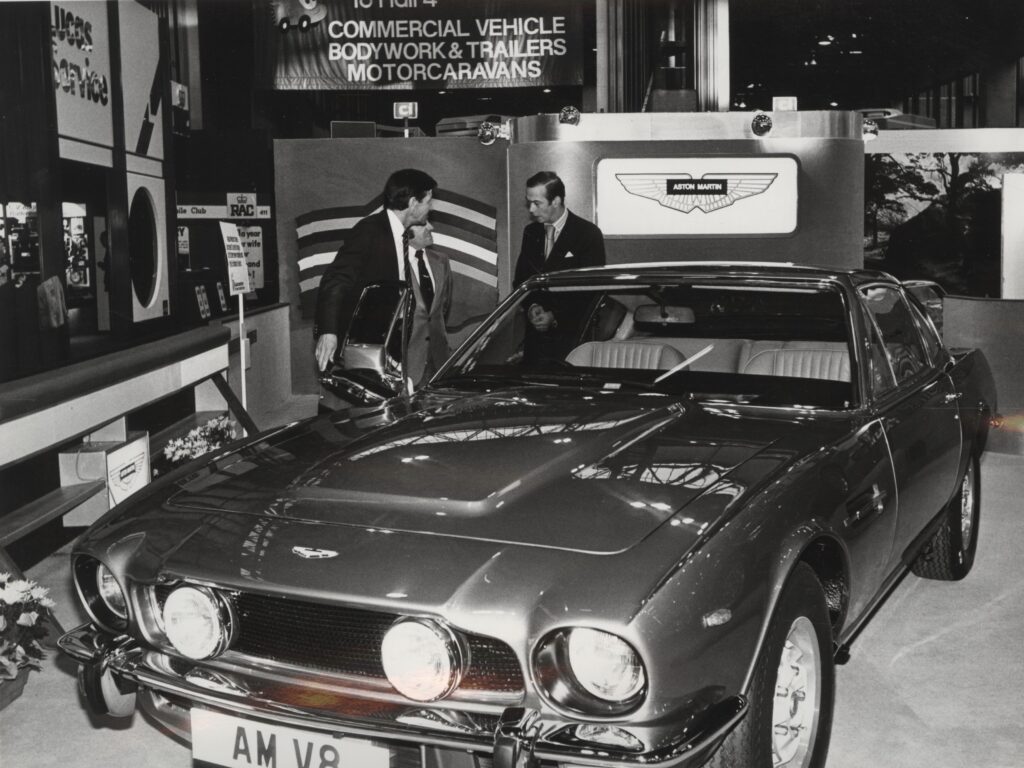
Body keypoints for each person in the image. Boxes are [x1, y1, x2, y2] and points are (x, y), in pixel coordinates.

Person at [314, 168, 437, 372]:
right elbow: (335, 279)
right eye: (428, 202)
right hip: (365, 346)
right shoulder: (369, 230)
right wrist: (329, 332)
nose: (430, 208)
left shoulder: (402, 236)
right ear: (413, 203)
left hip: (391, 345)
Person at [513, 171, 606, 360]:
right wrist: (532, 307)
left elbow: (592, 290)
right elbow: (522, 279)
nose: (531, 209)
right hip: (535, 345)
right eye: (529, 202)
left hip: (572, 343)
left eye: (537, 203)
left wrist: (555, 317)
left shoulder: (587, 234)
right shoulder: (531, 233)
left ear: (555, 201)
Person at [402, 221, 453, 390]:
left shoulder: (442, 261)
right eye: (423, 224)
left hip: (439, 362)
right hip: (407, 364)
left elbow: (443, 306)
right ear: (405, 231)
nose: (430, 227)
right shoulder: (395, 263)